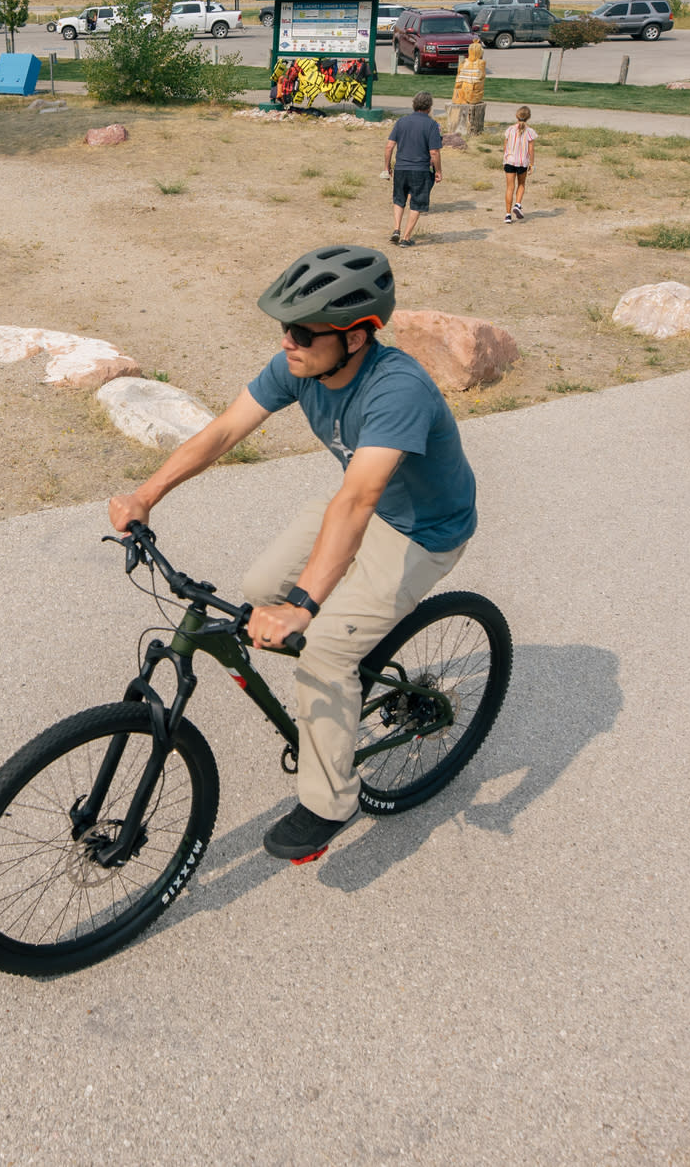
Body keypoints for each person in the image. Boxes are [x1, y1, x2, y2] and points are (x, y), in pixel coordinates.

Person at [107, 246, 477, 863]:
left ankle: (330, 803)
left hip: (424, 529)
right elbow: (224, 430)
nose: (289, 342)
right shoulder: (298, 368)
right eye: (285, 327)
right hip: (362, 507)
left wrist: (306, 607)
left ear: (358, 337)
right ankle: (339, 679)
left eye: (306, 331)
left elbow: (358, 500)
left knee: (324, 650)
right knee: (258, 586)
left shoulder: (398, 389)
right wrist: (147, 495)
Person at [383, 91, 444, 247]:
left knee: (399, 199)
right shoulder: (431, 125)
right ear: (429, 107)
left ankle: (396, 228)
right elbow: (434, 152)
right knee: (416, 203)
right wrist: (438, 171)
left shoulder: (402, 122)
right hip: (420, 170)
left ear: (414, 104)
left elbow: (389, 146)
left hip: (401, 167)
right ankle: (406, 237)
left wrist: (387, 166)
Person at [500, 106, 537, 223]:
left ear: (516, 116)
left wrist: (504, 159)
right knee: (521, 184)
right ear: (528, 117)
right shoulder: (530, 132)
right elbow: (531, 149)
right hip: (522, 162)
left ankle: (507, 215)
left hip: (510, 161)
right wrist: (532, 164)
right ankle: (518, 204)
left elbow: (505, 146)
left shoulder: (510, 130)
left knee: (509, 187)